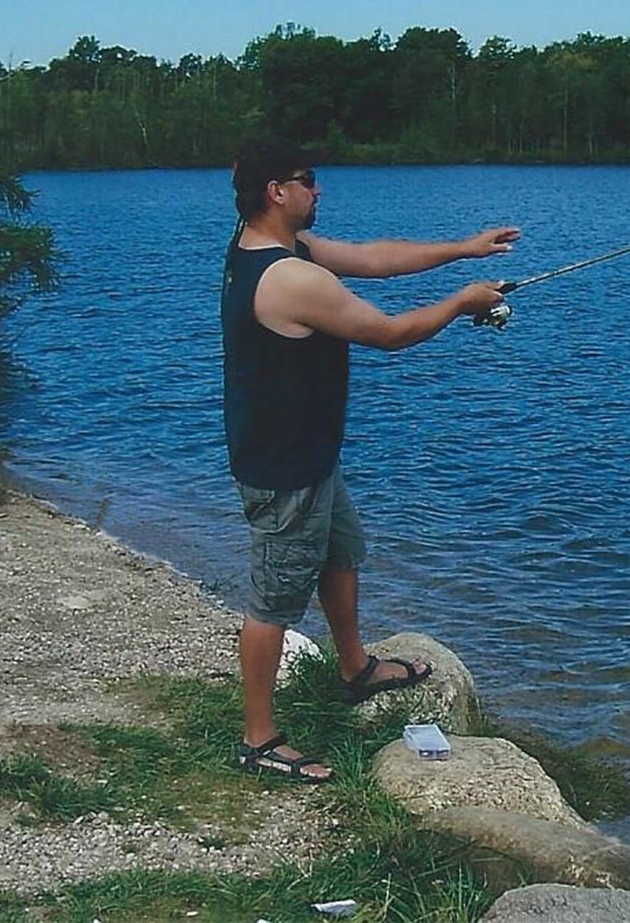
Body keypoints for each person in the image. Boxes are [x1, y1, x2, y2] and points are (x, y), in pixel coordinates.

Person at [223, 136, 518, 783]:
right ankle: (258, 739)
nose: (318, 189)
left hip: (308, 452)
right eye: (308, 179)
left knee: (341, 552)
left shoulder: (276, 248)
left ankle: (355, 667)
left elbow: (374, 258)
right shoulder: (289, 278)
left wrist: (463, 248)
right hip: (283, 468)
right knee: (273, 602)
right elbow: (388, 333)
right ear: (277, 191)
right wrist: (460, 303)